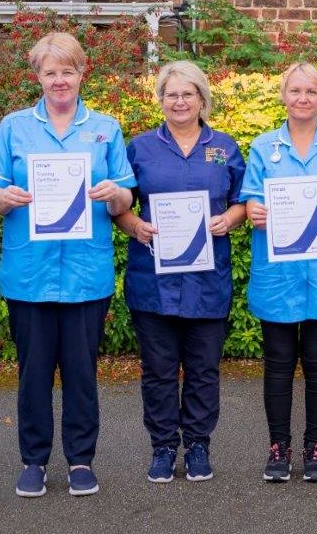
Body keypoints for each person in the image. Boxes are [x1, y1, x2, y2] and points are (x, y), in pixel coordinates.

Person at [0, 32, 135, 498]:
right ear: (38, 76)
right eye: (51, 72)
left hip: (87, 275)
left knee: (82, 372)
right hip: (29, 274)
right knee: (33, 373)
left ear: (82, 72)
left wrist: (115, 196)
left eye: (68, 70)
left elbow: (127, 196)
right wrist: (1, 198)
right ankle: (34, 460)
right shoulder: (13, 127)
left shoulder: (105, 127)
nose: (60, 80)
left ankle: (81, 460)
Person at [114, 61, 246, 483]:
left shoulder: (224, 147)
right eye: (171, 94)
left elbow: (245, 201)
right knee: (158, 368)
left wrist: (232, 219)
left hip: (207, 280)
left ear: (202, 99)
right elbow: (120, 206)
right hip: (154, 279)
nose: (180, 101)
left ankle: (199, 444)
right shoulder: (139, 148)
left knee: (204, 367)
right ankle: (163, 445)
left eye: (188, 94)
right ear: (160, 100)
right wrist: (134, 226)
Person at [241, 62, 317, 482]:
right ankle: (279, 446)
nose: (302, 98)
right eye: (295, 91)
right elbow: (250, 204)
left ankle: (316, 446)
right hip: (278, 273)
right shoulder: (262, 147)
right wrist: (254, 211)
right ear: (284, 95)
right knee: (277, 364)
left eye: (311, 92)